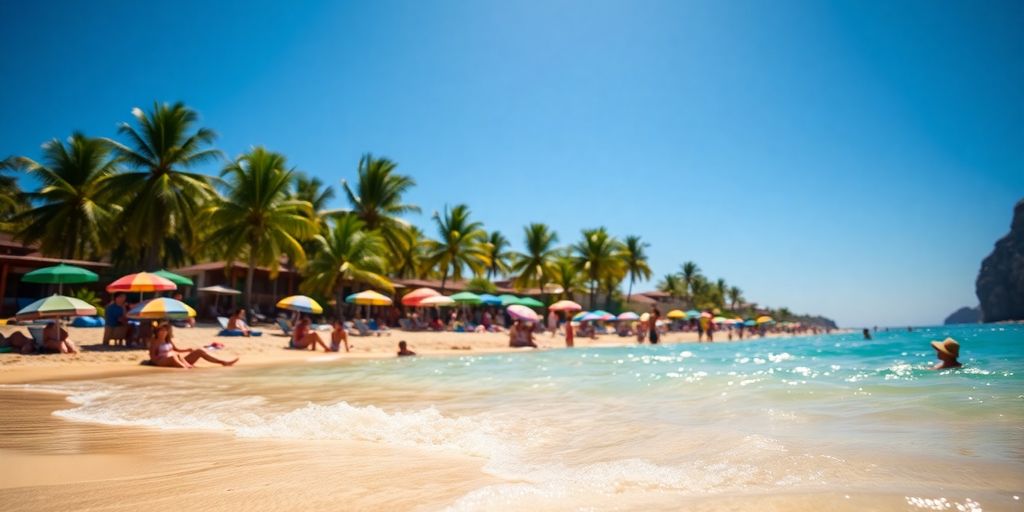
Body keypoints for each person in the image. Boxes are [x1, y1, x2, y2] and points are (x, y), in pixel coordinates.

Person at [148, 322, 237, 368]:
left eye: (165, 331)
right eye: (161, 330)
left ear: (168, 332)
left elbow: (176, 349)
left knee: (199, 351)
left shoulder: (168, 340)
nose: (163, 332)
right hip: (163, 361)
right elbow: (152, 356)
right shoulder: (155, 341)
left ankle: (223, 362)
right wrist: (158, 363)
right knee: (174, 357)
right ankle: (186, 368)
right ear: (157, 332)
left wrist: (187, 350)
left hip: (176, 359)